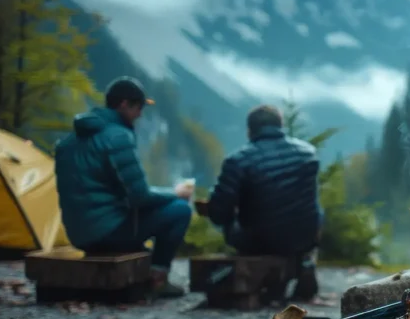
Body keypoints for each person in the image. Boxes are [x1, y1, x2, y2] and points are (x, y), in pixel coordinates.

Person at [54, 77, 192, 298]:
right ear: (124, 104)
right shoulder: (117, 136)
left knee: (152, 217)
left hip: (79, 234)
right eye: (138, 107)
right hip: (107, 232)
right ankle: (158, 280)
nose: (140, 114)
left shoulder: (70, 141)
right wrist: (176, 193)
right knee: (180, 209)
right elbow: (140, 196)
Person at [202, 104, 322, 300]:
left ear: (250, 130)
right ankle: (304, 261)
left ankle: (262, 274)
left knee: (233, 222)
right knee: (312, 208)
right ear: (280, 125)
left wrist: (214, 201)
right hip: (304, 237)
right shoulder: (308, 153)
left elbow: (219, 214)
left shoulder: (238, 161)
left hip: (260, 241)